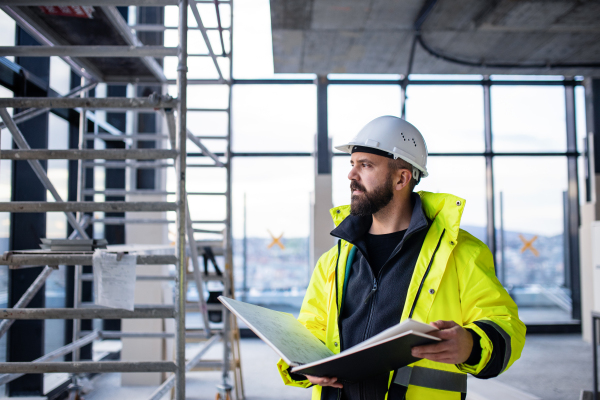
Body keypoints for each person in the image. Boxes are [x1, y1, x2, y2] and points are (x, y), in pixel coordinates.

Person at [276, 116, 526, 400]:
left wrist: (470, 344)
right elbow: (311, 330)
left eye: (365, 165)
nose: (351, 175)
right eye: (352, 164)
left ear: (402, 178)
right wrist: (301, 364)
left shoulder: (460, 253)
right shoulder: (333, 260)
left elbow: (507, 325)